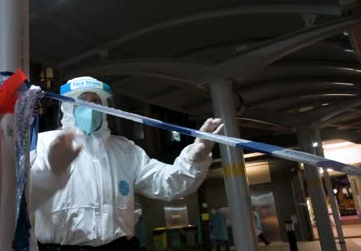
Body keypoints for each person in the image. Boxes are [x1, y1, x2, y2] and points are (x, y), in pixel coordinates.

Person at [30, 76, 223, 250]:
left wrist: (195, 157)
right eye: (81, 100)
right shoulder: (44, 145)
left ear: (104, 106)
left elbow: (165, 183)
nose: (90, 107)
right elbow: (22, 197)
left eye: (96, 101)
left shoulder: (124, 150)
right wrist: (50, 173)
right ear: (67, 107)